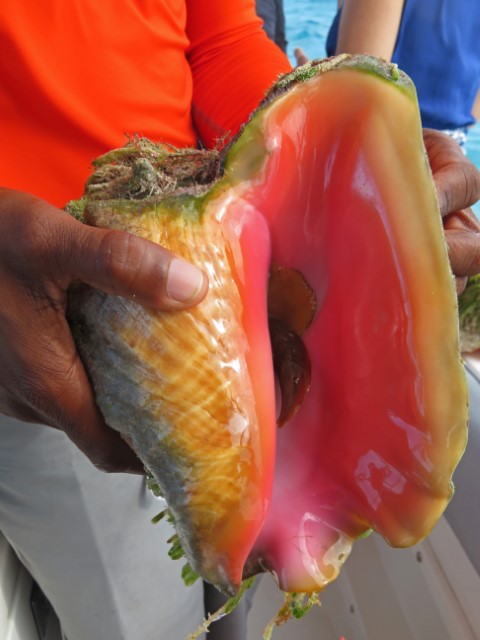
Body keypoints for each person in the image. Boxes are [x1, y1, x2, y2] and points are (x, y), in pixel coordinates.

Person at [0, 2, 479, 640]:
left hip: (212, 261)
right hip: (28, 330)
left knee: (235, 593)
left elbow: (219, 37)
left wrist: (336, 149)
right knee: (133, 620)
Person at [326, 0, 480, 149]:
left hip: (378, 153)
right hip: (451, 154)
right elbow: (472, 113)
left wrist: (310, 89)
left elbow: (356, 99)